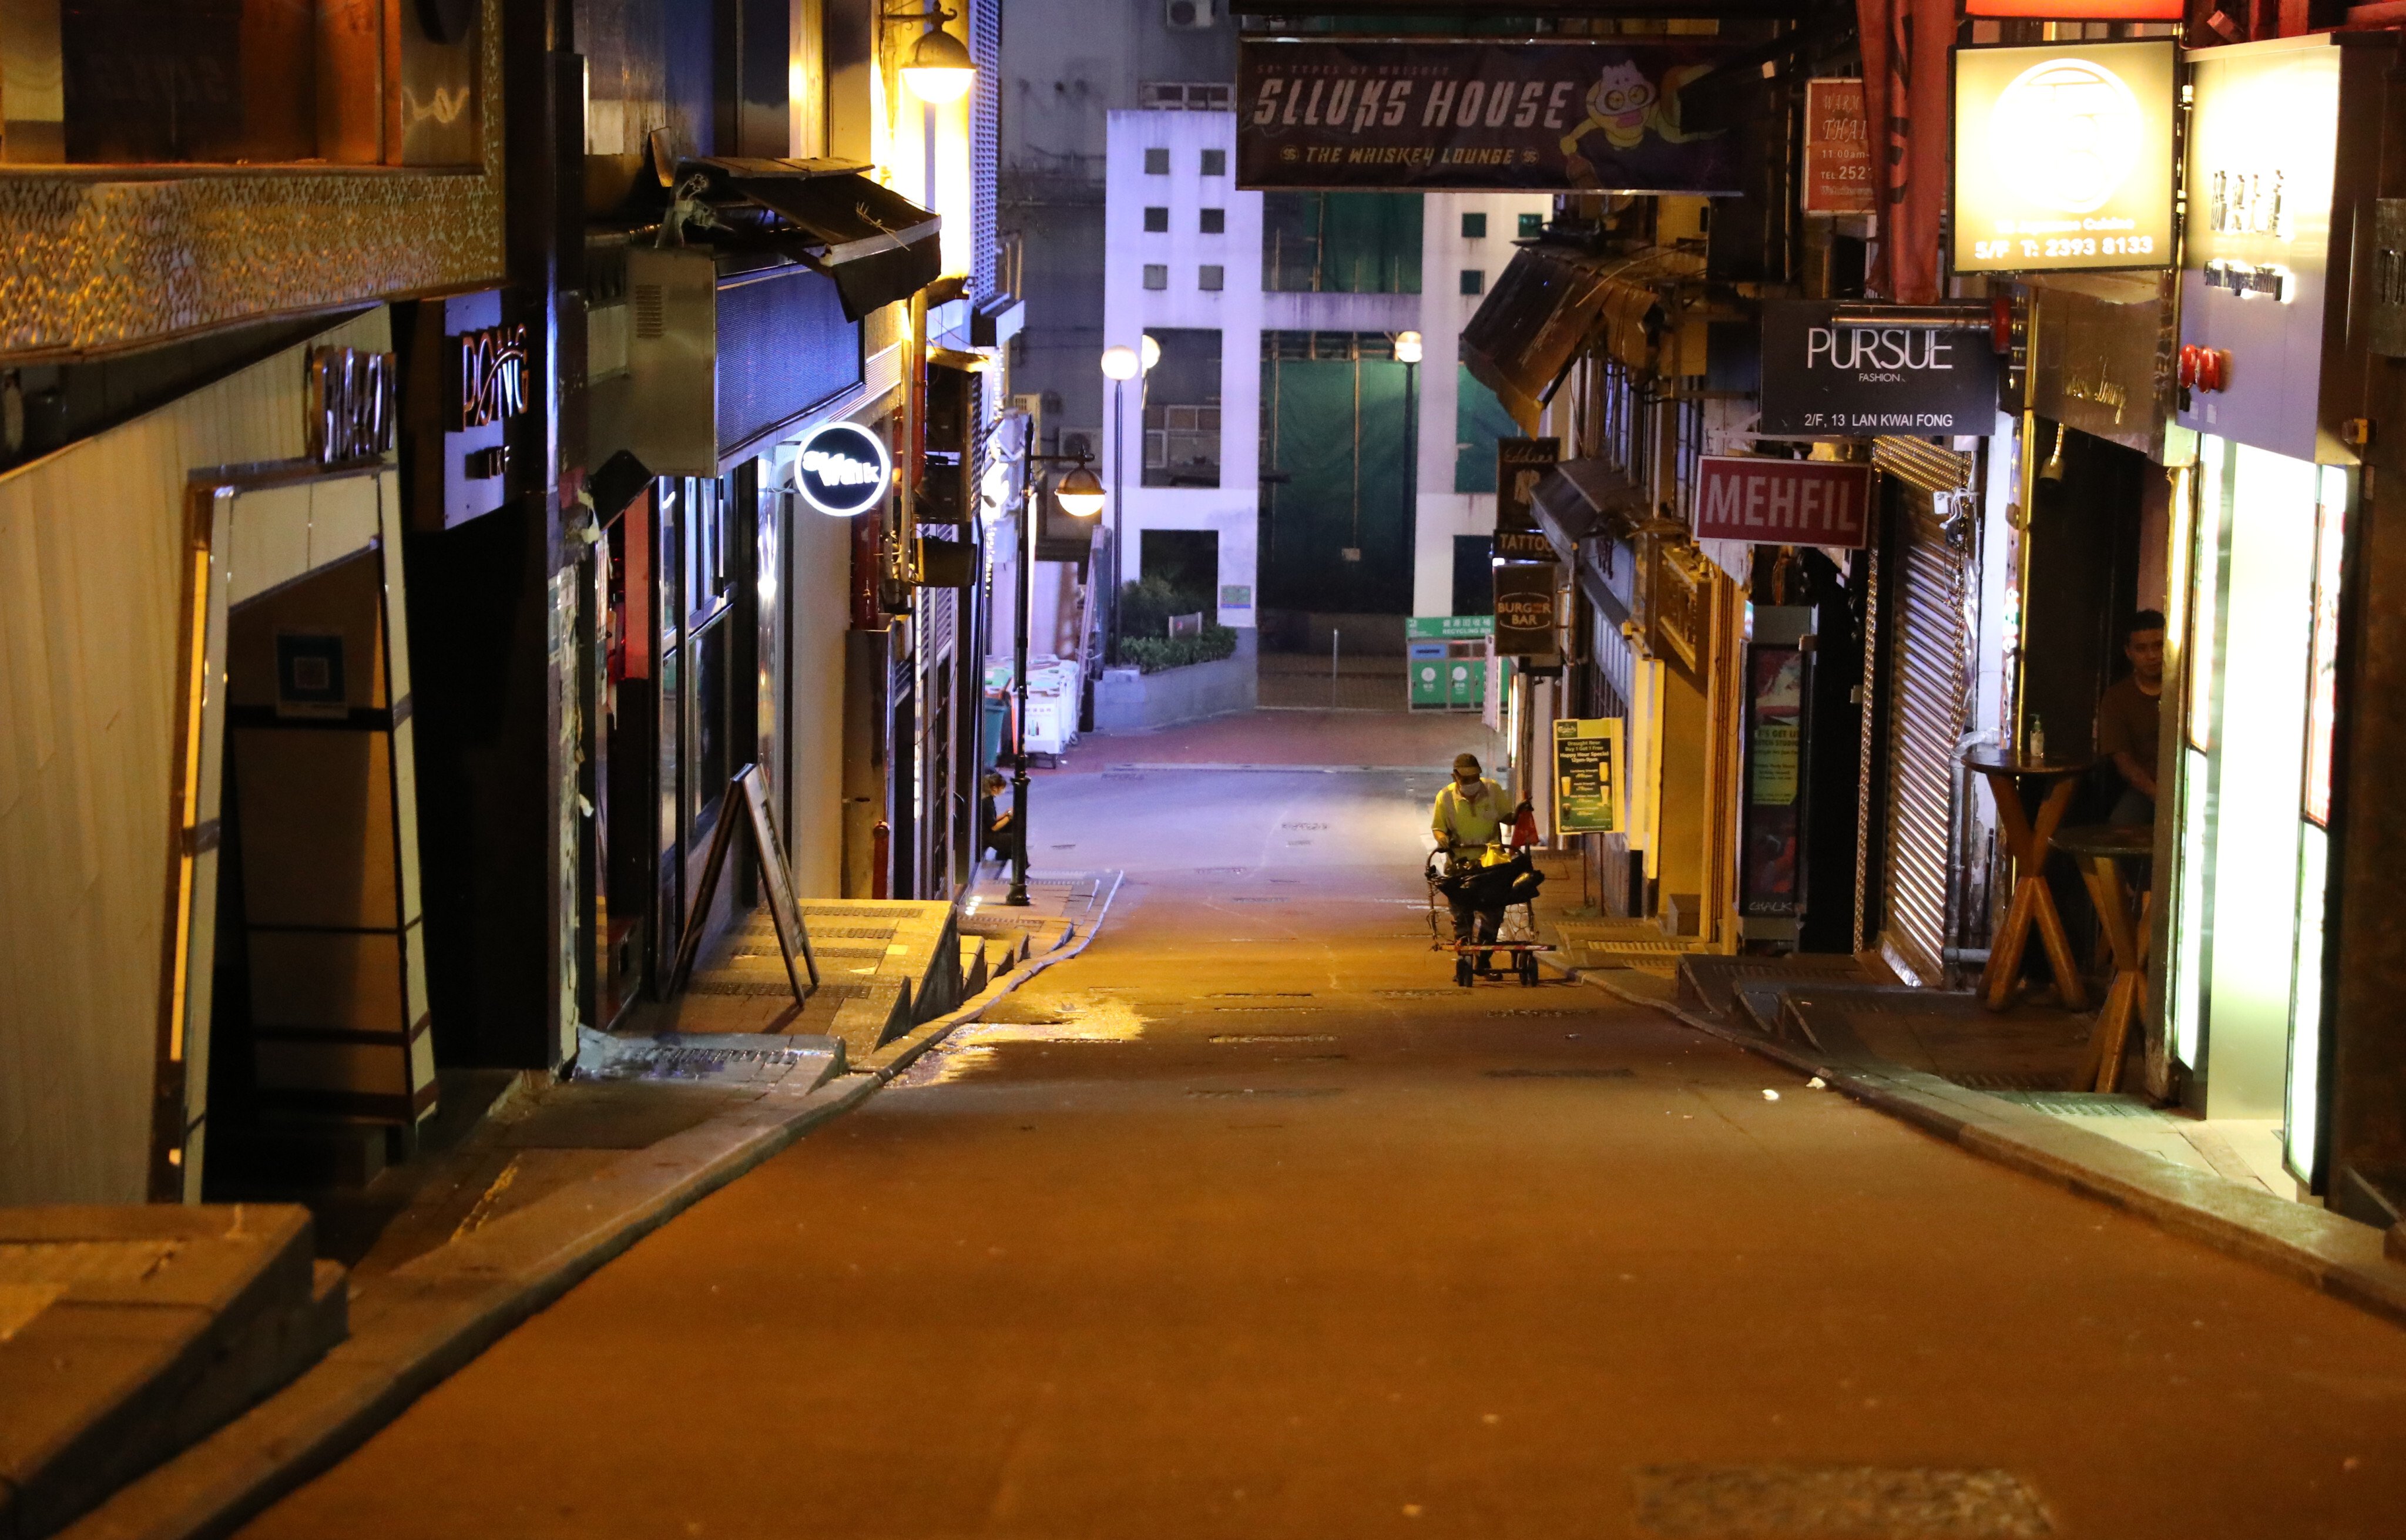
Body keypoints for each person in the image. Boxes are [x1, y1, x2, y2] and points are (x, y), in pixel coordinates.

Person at [1431, 753, 1510, 972]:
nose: (1471, 783)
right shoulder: (1445, 797)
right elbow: (1438, 827)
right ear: (1455, 776)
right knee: (1462, 915)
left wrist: (1520, 814)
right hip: (1460, 865)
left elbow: (1507, 816)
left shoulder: (1493, 790)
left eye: (1474, 778)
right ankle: (1464, 956)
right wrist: (1442, 839)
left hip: (1491, 865)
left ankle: (1484, 958)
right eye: (1466, 780)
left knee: (1493, 915)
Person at [2096, 609, 2164, 827]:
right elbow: (2124, 762)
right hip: (2146, 788)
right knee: (2115, 838)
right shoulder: (2117, 698)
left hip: (2192, 784)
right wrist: (2158, 795)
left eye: (2159, 645)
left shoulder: (2189, 689)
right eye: (2142, 649)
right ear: (2129, 652)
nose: (2152, 655)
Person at [979, 770, 1019, 865]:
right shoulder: (987, 802)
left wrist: (1005, 815)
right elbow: (994, 827)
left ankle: (1004, 855)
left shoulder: (988, 800)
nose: (1003, 790)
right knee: (1015, 839)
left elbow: (991, 819)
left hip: (987, 831)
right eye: (1002, 788)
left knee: (1011, 824)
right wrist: (1009, 817)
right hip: (987, 836)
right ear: (995, 788)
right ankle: (1020, 866)